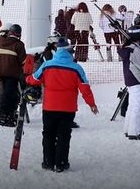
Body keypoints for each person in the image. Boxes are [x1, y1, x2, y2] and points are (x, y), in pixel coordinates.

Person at [26, 38, 98, 172]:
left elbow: (35, 79)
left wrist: (26, 78)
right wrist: (92, 104)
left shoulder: (47, 65)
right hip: (68, 109)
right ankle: (61, 163)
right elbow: (85, 88)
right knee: (64, 136)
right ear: (69, 52)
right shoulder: (76, 68)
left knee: (48, 134)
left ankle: (48, 162)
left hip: (49, 107)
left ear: (57, 51)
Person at [0, 23, 26, 127]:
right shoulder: (19, 44)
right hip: (12, 74)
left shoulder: (1, 43)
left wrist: (1, 65)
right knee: (11, 96)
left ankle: (1, 114)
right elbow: (23, 61)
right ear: (19, 34)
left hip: (1, 73)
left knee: (6, 93)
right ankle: (5, 117)